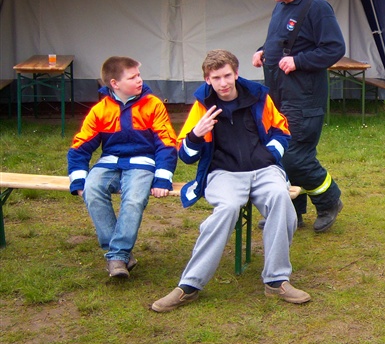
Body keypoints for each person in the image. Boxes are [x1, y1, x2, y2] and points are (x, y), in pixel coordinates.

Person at [151, 50, 310, 312]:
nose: (223, 83)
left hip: (264, 170)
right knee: (227, 209)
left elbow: (282, 131)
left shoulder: (259, 97)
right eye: (216, 78)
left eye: (227, 75)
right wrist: (195, 135)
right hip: (223, 173)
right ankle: (189, 286)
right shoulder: (202, 106)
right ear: (207, 79)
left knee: (281, 199)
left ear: (236, 74)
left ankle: (276, 281)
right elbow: (186, 157)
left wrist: (269, 154)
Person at [252, 0, 345, 233]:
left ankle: (329, 200)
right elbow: (281, 41)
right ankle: (293, 212)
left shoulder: (317, 7)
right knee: (280, 153)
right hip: (278, 95)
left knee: (295, 156)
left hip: (305, 98)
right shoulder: (281, 6)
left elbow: (334, 48)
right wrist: (262, 51)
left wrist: (299, 61)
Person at [68, 56, 177, 278]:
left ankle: (117, 256)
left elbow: (167, 144)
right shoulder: (100, 110)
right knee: (91, 190)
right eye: (132, 77)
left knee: (134, 199)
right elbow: (79, 147)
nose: (140, 80)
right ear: (114, 84)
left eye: (139, 75)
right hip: (109, 162)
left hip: (142, 164)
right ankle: (120, 254)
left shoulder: (153, 105)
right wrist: (78, 181)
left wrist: (162, 179)